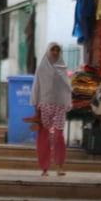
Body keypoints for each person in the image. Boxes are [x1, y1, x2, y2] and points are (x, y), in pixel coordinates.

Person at [30, 42, 73, 176]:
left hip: (59, 105)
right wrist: (35, 103)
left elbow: (66, 86)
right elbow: (36, 86)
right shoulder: (41, 68)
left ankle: (60, 166)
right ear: (48, 51)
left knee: (59, 136)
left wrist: (68, 102)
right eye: (52, 50)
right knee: (44, 137)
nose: (55, 52)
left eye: (57, 50)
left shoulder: (62, 68)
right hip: (44, 105)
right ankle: (44, 168)